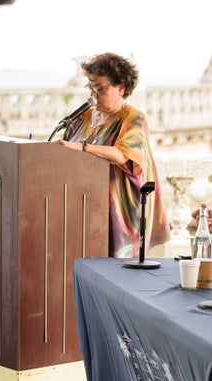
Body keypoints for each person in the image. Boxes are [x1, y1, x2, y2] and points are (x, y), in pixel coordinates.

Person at [55, 52, 170, 258]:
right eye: (90, 88)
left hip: (122, 214)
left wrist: (82, 147)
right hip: (86, 208)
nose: (93, 95)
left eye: (100, 89)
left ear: (121, 88)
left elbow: (122, 155)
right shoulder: (85, 115)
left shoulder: (133, 118)